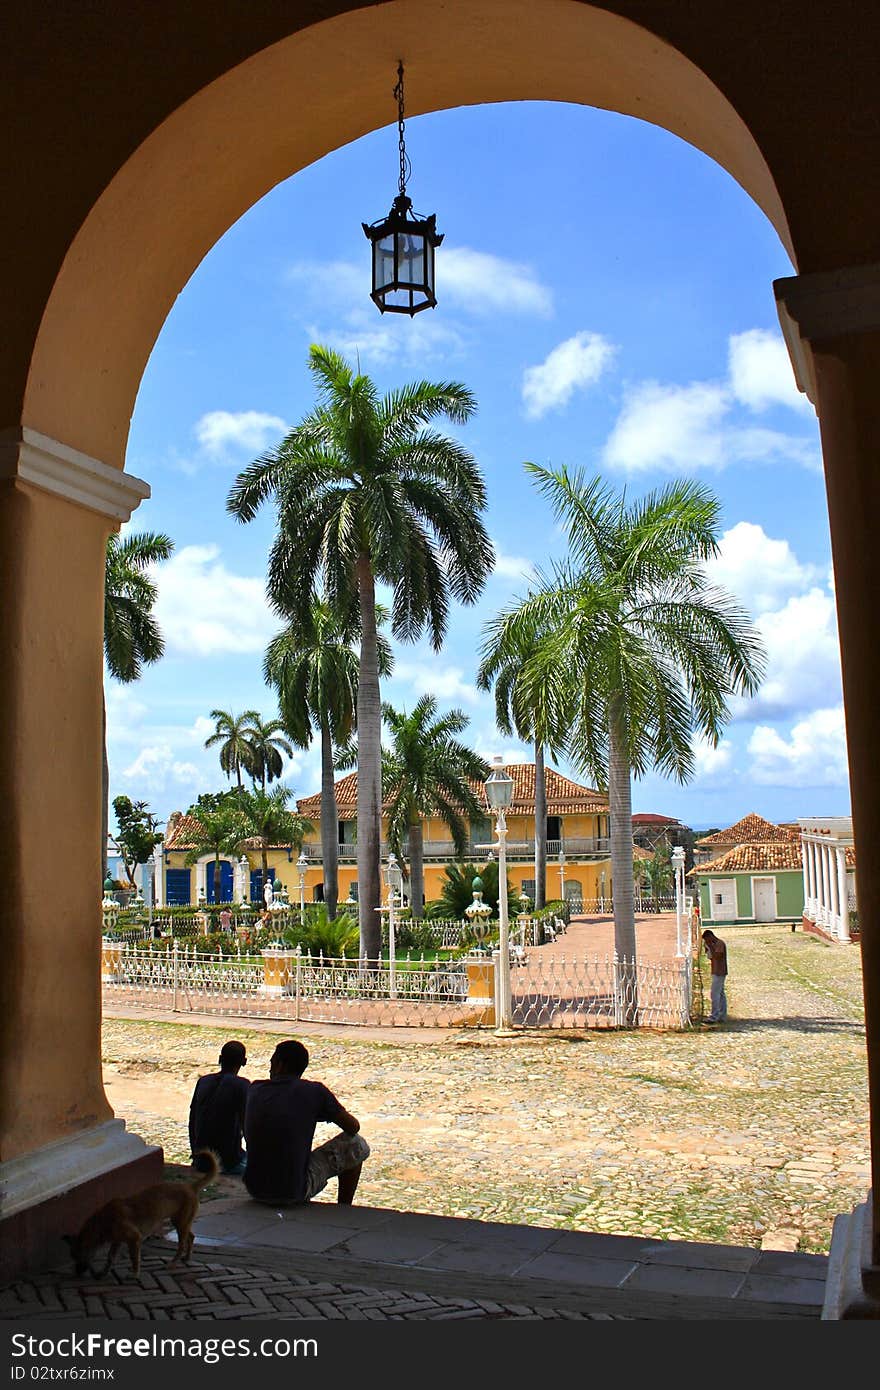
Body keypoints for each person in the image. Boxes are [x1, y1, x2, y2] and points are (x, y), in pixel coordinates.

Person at [244, 1039, 370, 1206]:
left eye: (272, 1064)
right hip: (292, 1190)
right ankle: (344, 1207)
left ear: (280, 1065)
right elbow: (353, 1127)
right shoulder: (315, 1092)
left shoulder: (255, 1089)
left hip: (255, 1188)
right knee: (357, 1145)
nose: (270, 1069)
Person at [188, 1040, 250, 1175]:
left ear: (220, 1059)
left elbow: (192, 1121)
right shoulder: (242, 1085)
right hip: (228, 1162)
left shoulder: (203, 1081)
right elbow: (247, 1127)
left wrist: (195, 1154)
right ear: (244, 1062)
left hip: (201, 1159)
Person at [701, 929, 728, 1024]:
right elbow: (710, 957)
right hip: (716, 971)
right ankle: (722, 1014)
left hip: (719, 971)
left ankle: (714, 1016)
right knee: (720, 994)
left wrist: (711, 947)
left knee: (715, 994)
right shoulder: (714, 944)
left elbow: (717, 956)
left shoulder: (719, 944)